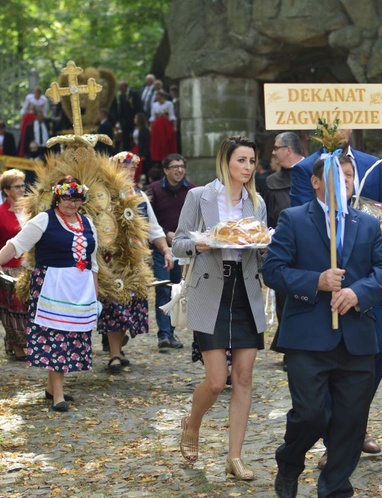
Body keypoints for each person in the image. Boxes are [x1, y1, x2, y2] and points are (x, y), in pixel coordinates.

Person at [263, 155, 382, 498]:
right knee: (310, 416)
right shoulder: (293, 220)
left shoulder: (366, 225)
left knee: (351, 423)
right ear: (317, 183)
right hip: (307, 338)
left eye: (349, 176)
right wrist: (316, 281)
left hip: (356, 339)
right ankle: (289, 462)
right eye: (339, 176)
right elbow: (273, 271)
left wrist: (357, 292)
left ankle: (336, 488)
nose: (346, 181)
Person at [290, 129, 382, 462]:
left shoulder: (372, 164)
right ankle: (338, 440)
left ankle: (354, 423)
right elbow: (303, 222)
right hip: (329, 286)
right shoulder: (306, 169)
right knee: (336, 359)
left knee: (381, 348)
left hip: (371, 283)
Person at [172, 136, 268, 479]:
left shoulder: (256, 202)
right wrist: (200, 243)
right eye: (241, 160)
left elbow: (259, 249)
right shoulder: (199, 197)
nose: (247, 167)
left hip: (246, 291)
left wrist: (263, 245)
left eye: (252, 161)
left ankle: (235, 457)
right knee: (216, 381)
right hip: (210, 288)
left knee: (243, 377)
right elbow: (178, 244)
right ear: (226, 161)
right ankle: (193, 421)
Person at [0, 176, 98, 412]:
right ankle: (59, 395)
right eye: (67, 198)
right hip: (52, 286)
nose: (72, 203)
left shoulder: (88, 222)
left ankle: (52, 388)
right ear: (57, 197)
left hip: (79, 289)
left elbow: (93, 263)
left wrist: (94, 296)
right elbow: (15, 245)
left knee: (71, 337)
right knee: (56, 337)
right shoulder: (44, 219)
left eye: (76, 198)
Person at [99, 151, 173, 372]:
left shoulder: (139, 195)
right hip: (112, 261)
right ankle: (113, 354)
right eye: (125, 167)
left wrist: (165, 250)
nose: (129, 172)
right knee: (114, 305)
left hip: (136, 260)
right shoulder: (103, 195)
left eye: (132, 168)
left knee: (129, 306)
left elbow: (153, 227)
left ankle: (117, 349)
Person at [145, 153, 196, 349]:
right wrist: (165, 234)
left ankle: (172, 332)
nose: (179, 170)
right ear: (166, 170)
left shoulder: (191, 190)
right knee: (163, 288)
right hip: (162, 248)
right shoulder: (154, 190)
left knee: (178, 290)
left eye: (182, 166)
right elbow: (147, 218)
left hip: (185, 248)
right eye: (175, 166)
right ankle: (164, 334)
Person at [263, 132, 305, 352]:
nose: (273, 152)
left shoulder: (312, 174)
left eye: (276, 148)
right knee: (282, 298)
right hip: (282, 247)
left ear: (288, 150)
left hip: (308, 247)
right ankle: (289, 347)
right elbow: (269, 217)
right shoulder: (271, 181)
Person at [0, 169, 29, 360]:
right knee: (13, 308)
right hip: (8, 267)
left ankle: (21, 342)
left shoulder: (30, 210)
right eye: (17, 186)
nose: (22, 189)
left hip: (28, 266)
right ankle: (16, 344)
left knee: (28, 308)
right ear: (6, 190)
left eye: (23, 185)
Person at [149, 91, 178, 169]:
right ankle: (158, 160)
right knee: (157, 142)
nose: (159, 99)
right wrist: (151, 126)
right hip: (157, 125)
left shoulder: (169, 104)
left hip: (166, 124)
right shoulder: (154, 105)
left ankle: (167, 158)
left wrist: (174, 126)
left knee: (166, 141)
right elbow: (153, 116)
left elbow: (172, 115)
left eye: (160, 97)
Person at [110, 80, 141, 152]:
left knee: (134, 138)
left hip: (134, 120)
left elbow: (138, 106)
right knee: (125, 139)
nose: (120, 90)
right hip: (125, 122)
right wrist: (120, 121)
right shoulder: (121, 96)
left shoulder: (134, 94)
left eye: (121, 88)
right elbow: (121, 109)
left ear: (125, 87)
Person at [131, 112, 151, 182]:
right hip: (135, 148)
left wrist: (144, 154)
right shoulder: (135, 128)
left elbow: (146, 142)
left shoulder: (145, 130)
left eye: (135, 118)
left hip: (141, 149)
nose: (134, 119)